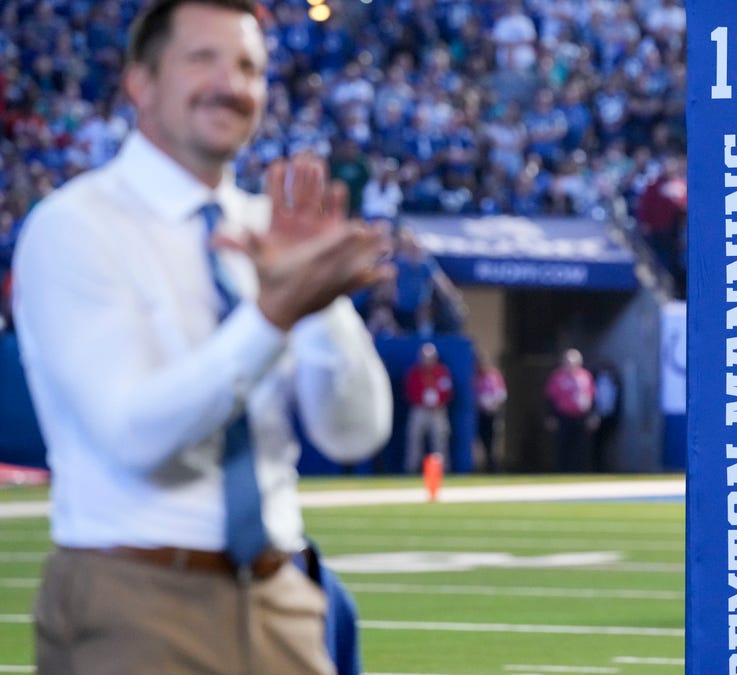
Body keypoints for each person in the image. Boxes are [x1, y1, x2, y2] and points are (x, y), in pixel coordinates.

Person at [11, 1, 394, 673]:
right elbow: (133, 433)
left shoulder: (268, 228)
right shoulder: (76, 226)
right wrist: (273, 316)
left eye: (249, 66)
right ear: (141, 82)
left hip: (283, 597)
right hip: (136, 594)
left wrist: (321, 309)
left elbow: (355, 433)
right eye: (203, 59)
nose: (231, 83)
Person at [544, 348, 597, 472]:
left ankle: (580, 472)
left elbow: (593, 396)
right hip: (563, 416)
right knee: (563, 446)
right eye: (567, 362)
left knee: (581, 447)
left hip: (581, 416)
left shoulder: (585, 376)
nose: (570, 365)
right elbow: (550, 398)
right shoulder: (557, 377)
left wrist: (592, 415)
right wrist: (551, 416)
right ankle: (562, 471)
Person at [404, 342, 454, 474]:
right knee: (414, 438)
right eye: (424, 357)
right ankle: (412, 469)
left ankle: (442, 470)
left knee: (440, 440)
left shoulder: (441, 372)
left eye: (430, 357)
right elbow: (409, 391)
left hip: (438, 410)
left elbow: (447, 391)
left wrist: (438, 401)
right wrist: (422, 401)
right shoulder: (415, 372)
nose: (427, 360)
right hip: (419, 409)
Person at [473, 350, 508, 473]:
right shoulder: (475, 377)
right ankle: (478, 466)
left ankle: (492, 467)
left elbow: (501, 394)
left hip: (492, 413)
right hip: (478, 413)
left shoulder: (494, 375)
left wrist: (492, 404)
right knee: (478, 441)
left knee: (492, 441)